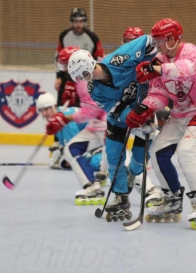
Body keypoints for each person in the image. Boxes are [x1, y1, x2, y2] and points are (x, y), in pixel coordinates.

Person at [126, 18, 196, 229]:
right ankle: (171, 199)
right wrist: (145, 108)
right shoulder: (159, 60)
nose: (157, 45)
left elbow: (185, 70)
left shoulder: (190, 51)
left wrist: (158, 69)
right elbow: (159, 93)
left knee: (187, 151)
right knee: (157, 151)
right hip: (180, 114)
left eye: (160, 40)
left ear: (171, 39)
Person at [67, 34, 164, 222]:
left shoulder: (118, 58)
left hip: (145, 108)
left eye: (86, 74)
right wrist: (135, 118)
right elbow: (114, 109)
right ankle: (121, 196)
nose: (88, 79)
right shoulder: (93, 89)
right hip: (120, 118)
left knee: (138, 160)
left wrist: (153, 63)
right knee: (113, 155)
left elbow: (148, 40)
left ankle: (131, 175)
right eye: (83, 78)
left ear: (91, 65)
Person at [46, 46, 109, 205]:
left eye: (66, 65)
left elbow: (91, 111)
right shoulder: (83, 76)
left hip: (107, 125)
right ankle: (91, 186)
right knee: (71, 149)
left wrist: (65, 117)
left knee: (120, 161)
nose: (65, 70)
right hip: (98, 126)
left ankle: (150, 190)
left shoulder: (84, 81)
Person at [54, 8, 104, 107]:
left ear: (85, 22)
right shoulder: (64, 36)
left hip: (84, 78)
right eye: (76, 21)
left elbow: (100, 57)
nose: (78, 24)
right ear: (71, 22)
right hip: (66, 76)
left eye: (81, 21)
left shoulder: (92, 37)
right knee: (62, 104)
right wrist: (58, 77)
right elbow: (57, 58)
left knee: (82, 105)